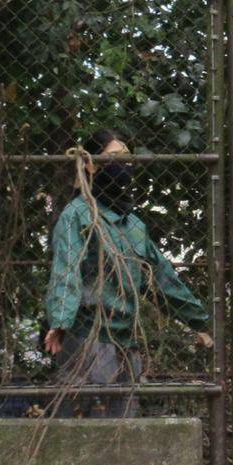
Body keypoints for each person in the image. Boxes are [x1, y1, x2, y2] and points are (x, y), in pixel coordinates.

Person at [43, 130, 212, 416]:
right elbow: (67, 268)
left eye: (126, 158)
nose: (123, 165)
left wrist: (198, 320)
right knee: (89, 418)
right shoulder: (78, 215)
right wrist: (60, 320)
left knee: (125, 419)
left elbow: (160, 278)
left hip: (127, 341)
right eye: (113, 157)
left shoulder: (133, 225)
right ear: (90, 164)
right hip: (89, 337)